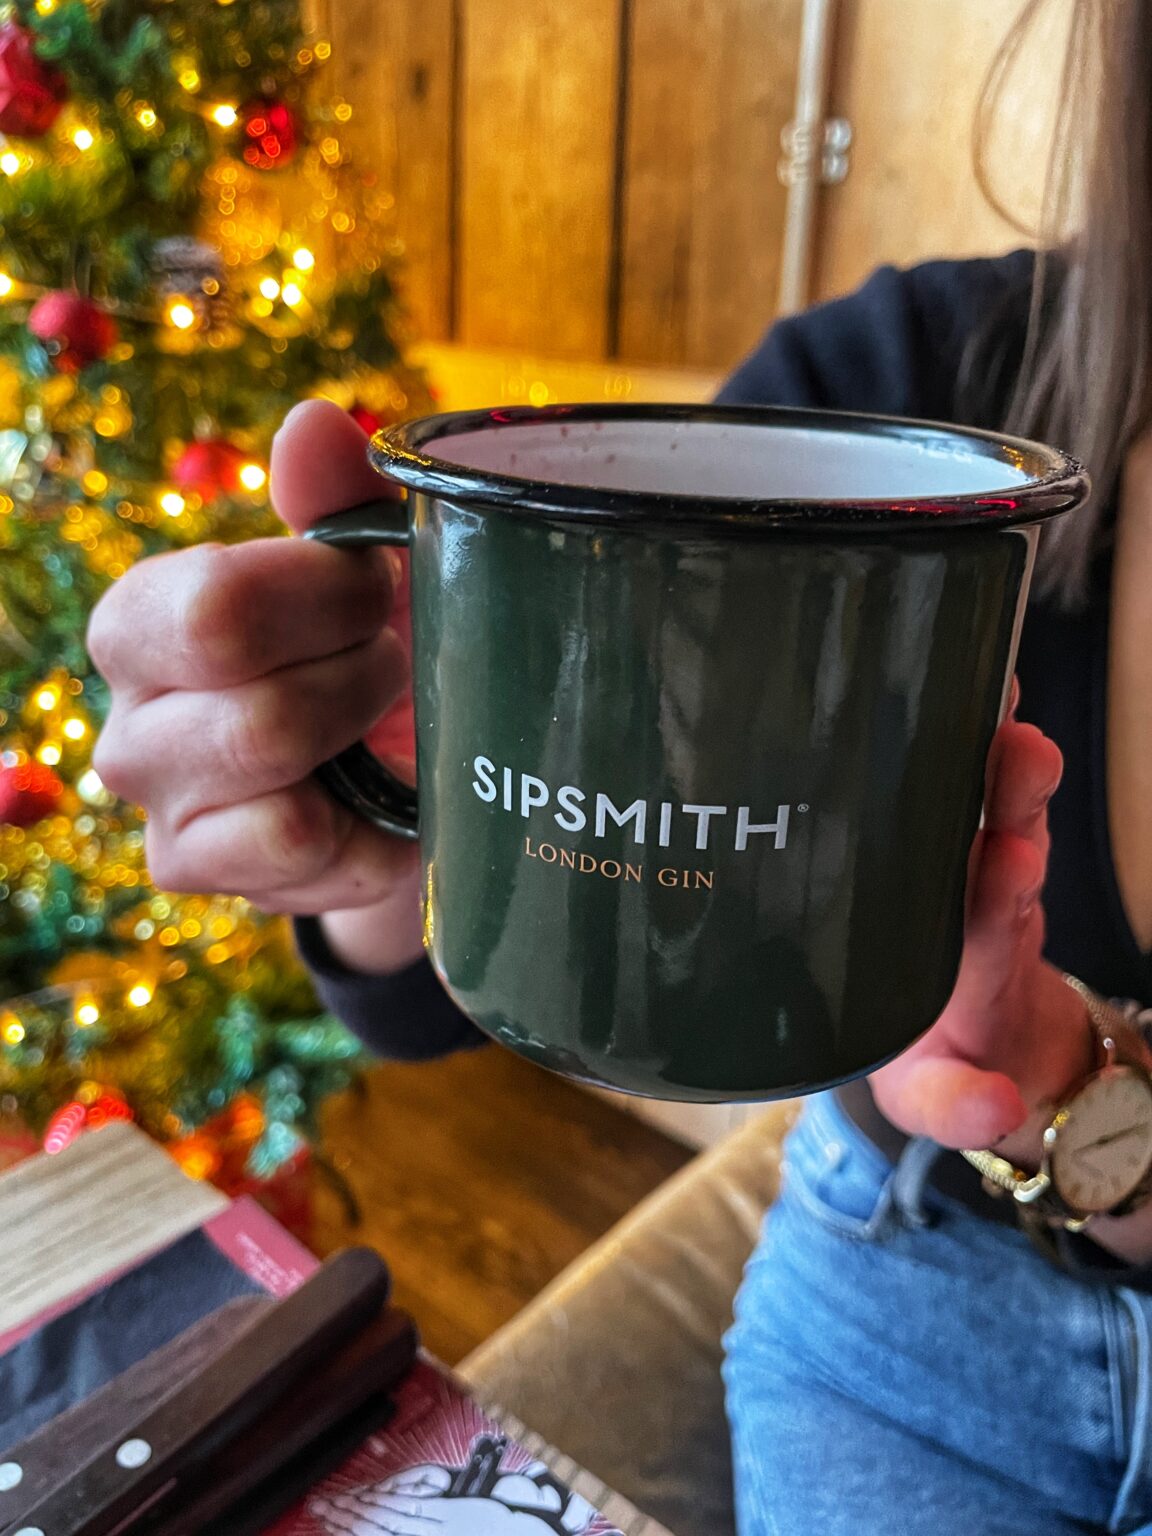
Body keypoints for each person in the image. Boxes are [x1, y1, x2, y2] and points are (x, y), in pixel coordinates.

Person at [87, 3, 1152, 1530]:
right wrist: (386, 801)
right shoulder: (918, 369)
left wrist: (1068, 1080)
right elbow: (428, 986)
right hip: (911, 1276)